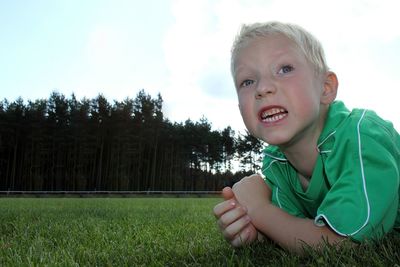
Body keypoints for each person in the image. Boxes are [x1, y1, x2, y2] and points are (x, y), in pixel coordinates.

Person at [213, 21, 400, 253]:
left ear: (325, 87)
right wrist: (257, 231)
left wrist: (260, 210)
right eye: (247, 81)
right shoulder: (275, 163)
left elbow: (340, 245)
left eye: (285, 69)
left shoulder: (361, 137)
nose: (263, 88)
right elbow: (296, 229)